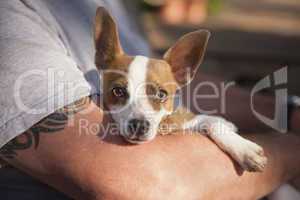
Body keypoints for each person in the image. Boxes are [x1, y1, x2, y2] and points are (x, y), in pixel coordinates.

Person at [0, 0, 300, 199]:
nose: (139, 118)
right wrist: (291, 152)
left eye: (157, 96)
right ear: (102, 58)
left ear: (184, 71)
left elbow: (161, 78)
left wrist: (289, 111)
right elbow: (138, 185)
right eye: (119, 93)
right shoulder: (12, 20)